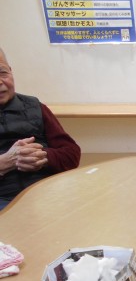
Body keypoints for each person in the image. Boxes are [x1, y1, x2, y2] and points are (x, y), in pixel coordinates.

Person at [0, 47, 80, 210]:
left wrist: (42, 156)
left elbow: (71, 154)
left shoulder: (35, 107)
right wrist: (5, 162)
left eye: (3, 73)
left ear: (11, 71)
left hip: (46, 192)